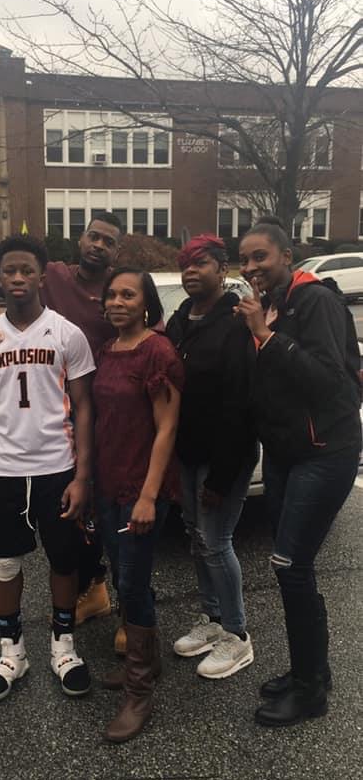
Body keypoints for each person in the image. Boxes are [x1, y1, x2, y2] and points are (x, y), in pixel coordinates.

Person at [0, 205, 121, 627]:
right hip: (50, 412)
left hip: (103, 409)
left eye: (108, 241)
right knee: (58, 527)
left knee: (93, 515)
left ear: (117, 252)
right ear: (81, 238)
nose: (98, 245)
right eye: (94, 236)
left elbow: (148, 328)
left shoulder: (117, 290)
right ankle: (88, 590)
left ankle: (109, 596)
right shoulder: (52, 275)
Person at [236, 216, 361, 727]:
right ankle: (311, 671)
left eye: (260, 256)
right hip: (286, 453)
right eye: (244, 260)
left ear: (287, 257)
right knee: (293, 567)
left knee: (291, 566)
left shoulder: (315, 302)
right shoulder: (271, 305)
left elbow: (331, 383)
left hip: (324, 452)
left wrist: (265, 335)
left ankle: (310, 690)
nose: (251, 267)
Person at [0, 234, 95, 702]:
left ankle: (64, 646)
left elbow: (84, 407)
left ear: (42, 276)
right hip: (4, 470)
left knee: (64, 559)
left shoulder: (67, 333)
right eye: (9, 270)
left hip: (57, 468)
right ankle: (12, 651)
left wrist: (82, 475)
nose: (18, 278)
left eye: (26, 270)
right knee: (4, 562)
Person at [93, 268, 184, 742]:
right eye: (111, 294)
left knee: (131, 582)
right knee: (127, 578)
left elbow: (167, 428)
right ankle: (145, 660)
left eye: (127, 295)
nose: (117, 302)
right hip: (108, 484)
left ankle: (139, 691)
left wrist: (149, 496)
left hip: (142, 489)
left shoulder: (158, 352)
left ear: (146, 303)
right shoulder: (108, 349)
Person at [166, 234, 257, 679]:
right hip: (187, 451)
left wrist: (221, 476)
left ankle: (237, 635)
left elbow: (241, 403)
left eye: (200, 263)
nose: (190, 271)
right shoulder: (180, 320)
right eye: (185, 264)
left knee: (216, 540)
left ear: (222, 270)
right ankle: (213, 618)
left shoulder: (235, 323)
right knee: (195, 536)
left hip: (225, 454)